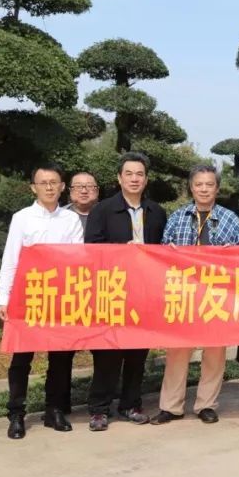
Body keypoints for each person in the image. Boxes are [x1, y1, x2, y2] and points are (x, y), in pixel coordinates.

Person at [0, 163, 84, 439]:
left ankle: (54, 410)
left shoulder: (70, 220)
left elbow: (77, 260)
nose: (48, 187)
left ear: (62, 187)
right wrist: (4, 298)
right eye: (43, 182)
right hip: (28, 297)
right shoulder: (22, 218)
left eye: (54, 182)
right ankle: (16, 413)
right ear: (33, 187)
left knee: (60, 357)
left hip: (61, 298)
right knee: (22, 357)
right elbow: (11, 260)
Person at [152, 165, 239, 426]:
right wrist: (167, 252)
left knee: (215, 353)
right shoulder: (177, 217)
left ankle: (206, 404)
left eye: (209, 184)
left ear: (217, 188)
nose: (204, 189)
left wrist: (233, 254)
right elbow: (162, 253)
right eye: (199, 184)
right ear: (191, 187)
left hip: (217, 295)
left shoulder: (231, 220)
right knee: (177, 352)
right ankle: (171, 406)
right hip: (183, 293)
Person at [84, 152, 167, 430]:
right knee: (107, 354)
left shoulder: (156, 212)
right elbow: (91, 251)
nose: (134, 179)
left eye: (139, 174)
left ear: (146, 179)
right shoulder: (103, 210)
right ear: (119, 178)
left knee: (137, 355)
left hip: (144, 294)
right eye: (129, 174)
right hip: (111, 292)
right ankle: (98, 409)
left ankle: (131, 405)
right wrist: (122, 254)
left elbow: (164, 252)